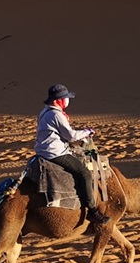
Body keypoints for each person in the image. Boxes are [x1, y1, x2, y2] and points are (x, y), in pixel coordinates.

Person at [35, 84, 109, 224]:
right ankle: (92, 211)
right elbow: (70, 136)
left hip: (43, 150)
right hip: (55, 152)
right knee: (84, 173)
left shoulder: (45, 111)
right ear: (57, 101)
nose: (67, 101)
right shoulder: (56, 114)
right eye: (65, 98)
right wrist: (87, 132)